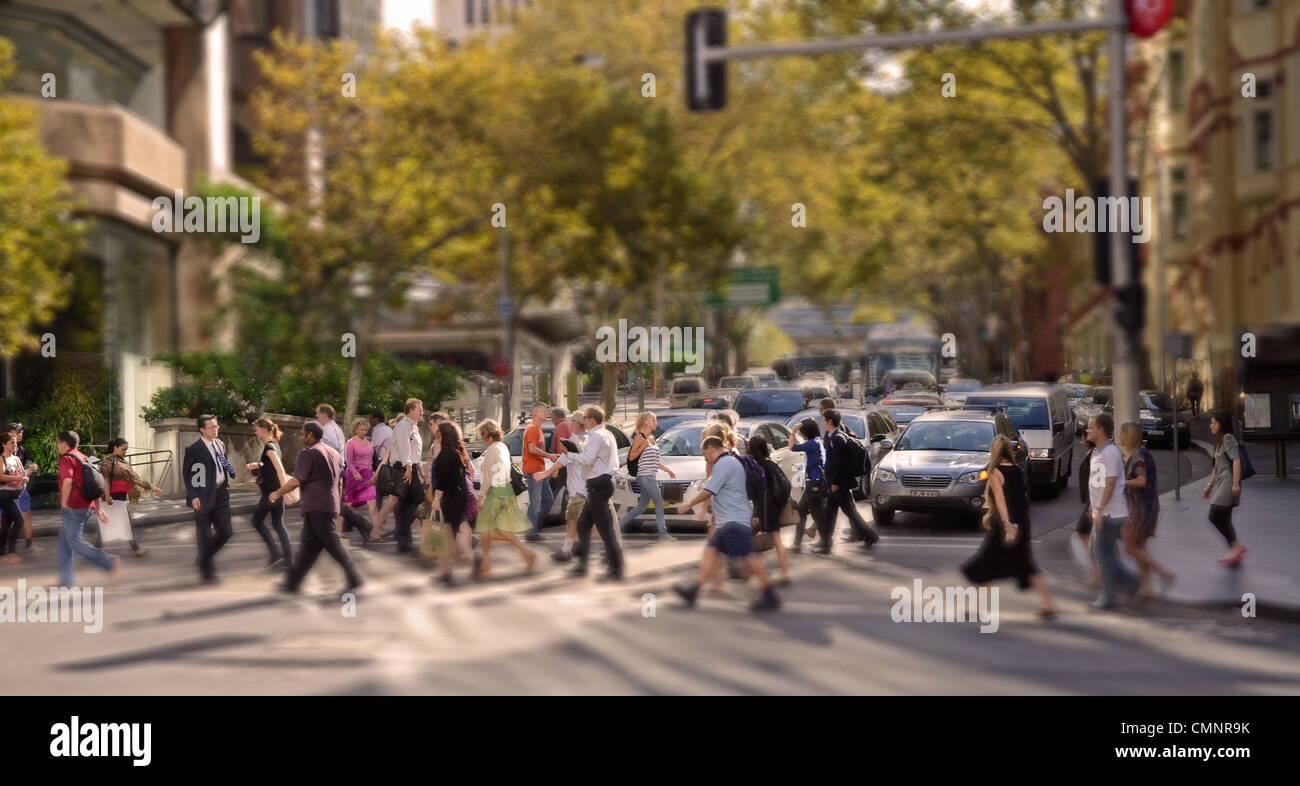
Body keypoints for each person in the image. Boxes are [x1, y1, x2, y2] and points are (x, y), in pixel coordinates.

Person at [673, 435, 781, 612]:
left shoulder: (723, 464)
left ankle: (770, 594)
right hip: (731, 519)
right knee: (711, 551)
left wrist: (689, 505)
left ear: (711, 448)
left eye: (704, 453)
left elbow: (709, 490)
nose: (704, 457)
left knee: (749, 556)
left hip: (733, 520)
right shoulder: (733, 462)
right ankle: (694, 590)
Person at [961, 435, 1057, 618]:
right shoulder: (1016, 469)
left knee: (986, 562)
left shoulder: (996, 471)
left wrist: (1007, 525)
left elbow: (1001, 499)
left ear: (995, 451)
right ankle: (1049, 604)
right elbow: (1018, 498)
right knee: (1025, 565)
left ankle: (977, 608)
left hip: (1006, 524)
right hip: (1022, 521)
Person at [272, 421, 363, 595]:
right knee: (308, 547)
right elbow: (340, 481)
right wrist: (337, 504)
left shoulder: (309, 453)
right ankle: (292, 582)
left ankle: (354, 578)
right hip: (328, 505)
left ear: (310, 435)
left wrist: (277, 493)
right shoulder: (334, 453)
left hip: (316, 506)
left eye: (302, 433)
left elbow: (297, 480)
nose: (301, 437)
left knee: (333, 546)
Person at [555, 406, 623, 580]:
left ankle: (616, 568)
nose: (583, 420)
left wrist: (569, 454)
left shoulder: (597, 436)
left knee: (605, 530)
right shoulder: (606, 434)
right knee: (583, 525)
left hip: (598, 484)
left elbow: (588, 459)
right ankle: (583, 565)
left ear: (592, 419)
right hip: (600, 483)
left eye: (585, 417)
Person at [1086, 413, 1140, 610]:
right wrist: (1093, 507)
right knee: (1098, 553)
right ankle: (1131, 581)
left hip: (1110, 514)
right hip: (1102, 512)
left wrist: (1099, 510)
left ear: (1101, 430)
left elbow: (1110, 483)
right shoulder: (1098, 452)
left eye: (1091, 427)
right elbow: (1099, 483)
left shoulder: (1109, 453)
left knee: (1102, 554)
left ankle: (1110, 598)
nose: (1087, 430)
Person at [474, 419, 538, 577]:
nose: (482, 438)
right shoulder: (503, 447)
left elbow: (489, 477)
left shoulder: (492, 450)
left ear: (489, 435)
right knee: (495, 529)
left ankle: (489, 563)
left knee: (487, 528)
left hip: (496, 492)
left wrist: (481, 496)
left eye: (483, 434)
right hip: (506, 490)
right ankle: (523, 554)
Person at [1119, 422, 1175, 597]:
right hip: (1144, 506)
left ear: (1129, 436)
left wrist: (1122, 482)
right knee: (1139, 547)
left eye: (1122, 434)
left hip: (1141, 508)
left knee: (1129, 546)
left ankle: (1164, 573)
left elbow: (1141, 481)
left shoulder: (1139, 456)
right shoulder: (1138, 454)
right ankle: (1148, 587)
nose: (1120, 437)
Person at [55, 431, 119, 586]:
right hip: (86, 506)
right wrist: (97, 508)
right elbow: (94, 483)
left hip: (73, 507)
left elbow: (68, 482)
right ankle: (66, 580)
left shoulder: (67, 459)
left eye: (58, 443)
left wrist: (64, 505)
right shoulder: (84, 458)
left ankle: (108, 562)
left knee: (75, 543)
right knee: (64, 545)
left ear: (64, 443)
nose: (57, 446)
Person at [184, 414, 237, 583]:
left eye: (217, 426)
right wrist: (193, 497)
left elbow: (223, 463)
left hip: (221, 494)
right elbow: (188, 475)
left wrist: (226, 482)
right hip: (202, 496)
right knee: (204, 535)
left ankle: (203, 558)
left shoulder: (220, 444)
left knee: (226, 531)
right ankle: (208, 572)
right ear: (202, 429)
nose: (216, 429)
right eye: (212, 427)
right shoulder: (194, 449)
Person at [822, 409, 877, 550]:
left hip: (839, 483)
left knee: (849, 512)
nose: (822, 423)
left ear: (830, 421)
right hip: (838, 482)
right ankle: (826, 542)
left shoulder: (837, 438)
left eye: (823, 420)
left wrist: (835, 482)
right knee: (831, 512)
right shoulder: (832, 436)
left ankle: (870, 535)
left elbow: (839, 464)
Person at [618, 411, 677, 540]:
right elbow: (632, 457)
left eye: (655, 420)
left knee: (641, 507)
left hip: (651, 476)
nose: (656, 423)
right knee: (659, 502)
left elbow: (654, 459)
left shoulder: (652, 438)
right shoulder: (640, 438)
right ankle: (663, 534)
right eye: (653, 420)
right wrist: (642, 446)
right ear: (646, 422)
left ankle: (616, 527)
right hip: (644, 476)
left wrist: (667, 470)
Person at [430, 421, 476, 587]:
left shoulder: (445, 455)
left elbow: (442, 480)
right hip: (461, 494)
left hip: (450, 497)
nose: (436, 436)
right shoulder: (459, 452)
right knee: (460, 528)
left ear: (442, 435)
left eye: (438, 434)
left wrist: (436, 499)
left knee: (445, 533)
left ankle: (445, 570)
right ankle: (471, 559)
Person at [245, 418, 293, 568]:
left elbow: (279, 470)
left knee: (257, 521)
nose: (255, 432)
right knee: (277, 523)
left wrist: (284, 494)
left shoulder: (269, 448)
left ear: (264, 430)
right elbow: (269, 465)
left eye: (256, 429)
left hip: (272, 493)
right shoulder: (274, 445)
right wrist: (257, 464)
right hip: (275, 492)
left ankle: (277, 554)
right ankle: (287, 558)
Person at [99, 438, 158, 558]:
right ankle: (136, 549)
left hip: (120, 498)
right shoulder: (108, 461)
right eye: (123, 449)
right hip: (111, 499)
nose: (125, 451)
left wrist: (152, 487)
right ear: (115, 447)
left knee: (107, 527)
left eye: (126, 449)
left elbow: (136, 478)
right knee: (124, 525)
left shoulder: (122, 462)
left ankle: (94, 550)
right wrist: (108, 495)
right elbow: (106, 480)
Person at [379, 398, 424, 553]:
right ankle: (401, 532)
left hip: (410, 466)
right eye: (419, 409)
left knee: (405, 503)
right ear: (410, 410)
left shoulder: (412, 426)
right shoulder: (404, 426)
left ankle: (402, 539)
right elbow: (405, 448)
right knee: (419, 498)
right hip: (405, 468)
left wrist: (418, 466)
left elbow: (413, 449)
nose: (422, 412)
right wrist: (409, 468)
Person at [1203, 411, 1247, 566]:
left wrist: (1235, 484)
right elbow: (1216, 467)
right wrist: (1209, 486)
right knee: (1224, 518)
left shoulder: (1228, 438)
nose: (1211, 425)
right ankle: (1235, 551)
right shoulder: (1220, 441)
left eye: (1213, 422)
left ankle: (1236, 547)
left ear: (1221, 423)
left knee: (1215, 514)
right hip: (1222, 482)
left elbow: (1236, 461)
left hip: (1229, 482)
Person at [749, 435, 792, 585]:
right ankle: (784, 573)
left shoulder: (756, 467)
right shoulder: (771, 464)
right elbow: (786, 485)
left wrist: (756, 514)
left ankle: (759, 572)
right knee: (777, 540)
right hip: (774, 507)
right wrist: (779, 504)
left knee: (749, 539)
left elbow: (755, 493)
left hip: (763, 508)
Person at [789, 418, 828, 554]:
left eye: (802, 432)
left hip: (814, 483)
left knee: (817, 514)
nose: (801, 434)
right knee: (802, 510)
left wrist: (793, 433)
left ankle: (825, 543)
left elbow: (791, 447)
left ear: (806, 432)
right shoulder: (818, 441)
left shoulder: (812, 444)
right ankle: (797, 543)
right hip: (814, 481)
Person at [341, 417, 381, 540]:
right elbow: (349, 460)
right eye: (361, 430)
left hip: (368, 475)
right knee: (348, 504)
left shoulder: (368, 442)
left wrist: (375, 451)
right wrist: (355, 473)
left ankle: (375, 533)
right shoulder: (350, 443)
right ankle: (338, 530)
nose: (363, 432)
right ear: (355, 429)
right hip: (355, 475)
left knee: (372, 503)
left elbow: (371, 460)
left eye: (365, 430)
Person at [521, 402, 553, 543]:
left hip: (540, 470)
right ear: (536, 414)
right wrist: (549, 456)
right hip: (533, 471)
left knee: (547, 500)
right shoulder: (533, 428)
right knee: (536, 502)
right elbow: (532, 449)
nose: (547, 413)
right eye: (544, 411)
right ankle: (531, 532)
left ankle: (533, 528)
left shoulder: (538, 428)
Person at [1075, 434, 1100, 588]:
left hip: (1094, 502)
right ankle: (1100, 570)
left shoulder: (1095, 455)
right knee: (1103, 540)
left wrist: (1094, 504)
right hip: (1091, 501)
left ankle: (1098, 571)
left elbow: (1097, 481)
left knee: (1083, 531)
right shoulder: (1091, 453)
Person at [0, 432, 29, 563]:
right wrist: (19, 478)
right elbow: (1, 477)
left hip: (16, 494)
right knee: (20, 521)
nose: (14, 445)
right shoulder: (1, 458)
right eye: (12, 443)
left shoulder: (17, 459)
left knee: (6, 524)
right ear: (3, 444)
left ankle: (2, 553)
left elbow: (23, 474)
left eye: (16, 443)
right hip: (5, 495)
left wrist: (26, 476)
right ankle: (11, 552)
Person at [8, 423, 37, 552]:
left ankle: (29, 545)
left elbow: (25, 468)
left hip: (20, 488)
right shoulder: (2, 450)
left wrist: (31, 469)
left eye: (21, 432)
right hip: (5, 489)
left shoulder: (22, 450)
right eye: (17, 432)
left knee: (26, 515)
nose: (20, 434)